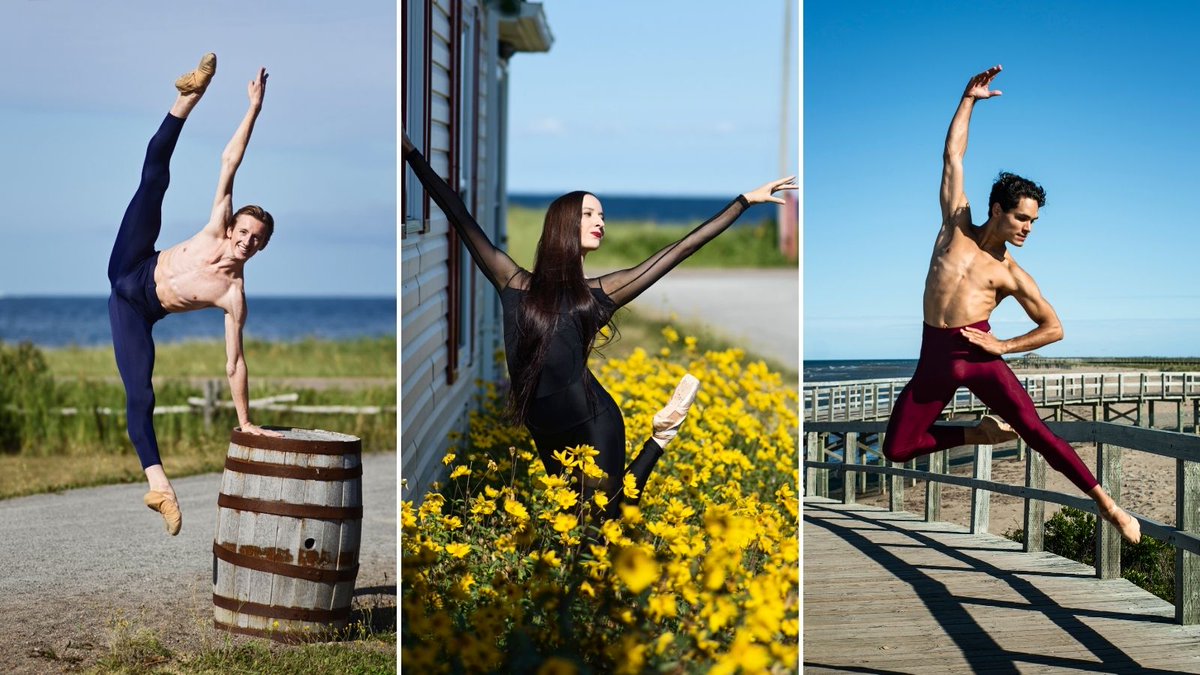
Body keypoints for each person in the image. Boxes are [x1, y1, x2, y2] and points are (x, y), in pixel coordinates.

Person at [403, 133, 795, 518]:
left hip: (593, 421)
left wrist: (744, 201)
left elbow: (680, 249)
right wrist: (412, 154)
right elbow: (458, 213)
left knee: (610, 514)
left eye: (603, 215)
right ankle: (663, 433)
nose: (600, 222)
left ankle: (660, 438)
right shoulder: (512, 281)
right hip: (545, 428)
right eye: (589, 214)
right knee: (572, 522)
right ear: (563, 223)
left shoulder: (598, 295)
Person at [880, 65, 1140, 543]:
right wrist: (968, 100)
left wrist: (1003, 346)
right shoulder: (953, 227)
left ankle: (1110, 507)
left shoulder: (1012, 274)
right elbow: (952, 155)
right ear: (997, 209)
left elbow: (1053, 327)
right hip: (933, 359)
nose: (1028, 228)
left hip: (977, 357)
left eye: (1034, 221)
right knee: (896, 449)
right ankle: (977, 433)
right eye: (1022, 217)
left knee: (1037, 431)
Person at [108, 54, 281, 536]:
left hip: (134, 309)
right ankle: (189, 96)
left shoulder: (233, 294)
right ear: (233, 226)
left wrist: (245, 422)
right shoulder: (213, 230)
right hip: (133, 261)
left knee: (141, 394)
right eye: (244, 231)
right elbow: (230, 159)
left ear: (261, 247)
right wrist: (254, 110)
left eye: (256, 240)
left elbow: (234, 363)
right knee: (154, 178)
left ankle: (160, 487)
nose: (246, 240)